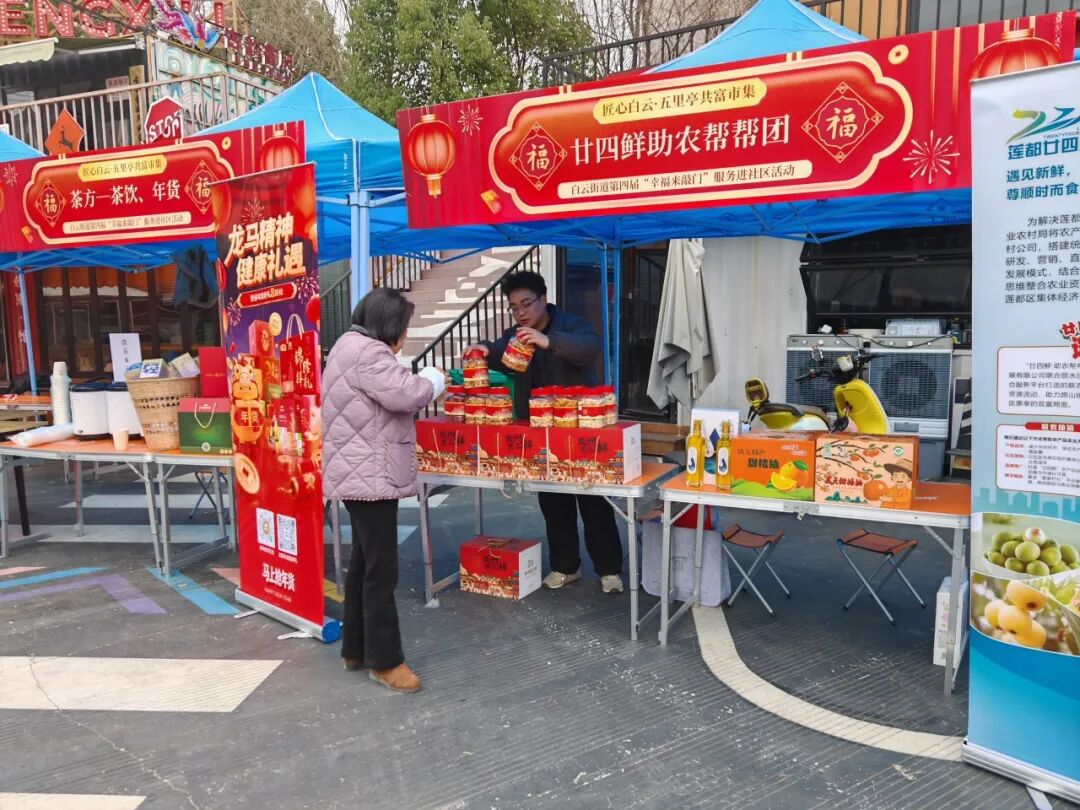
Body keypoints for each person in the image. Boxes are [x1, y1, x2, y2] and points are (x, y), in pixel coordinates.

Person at [465, 271, 625, 594]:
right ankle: (566, 566)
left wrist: (549, 342)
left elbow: (590, 347)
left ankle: (609, 570)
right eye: (514, 307)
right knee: (553, 502)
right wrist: (483, 349)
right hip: (541, 433)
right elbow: (500, 354)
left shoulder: (572, 325)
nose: (521, 312)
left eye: (527, 304)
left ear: (544, 299)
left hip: (580, 430)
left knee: (594, 502)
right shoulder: (515, 336)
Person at [323, 287, 446, 693]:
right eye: (404, 328)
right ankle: (386, 662)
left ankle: (356, 649)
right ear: (390, 325)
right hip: (370, 475)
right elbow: (407, 394)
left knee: (364, 564)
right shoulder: (370, 353)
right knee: (381, 570)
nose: (405, 337)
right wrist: (433, 379)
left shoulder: (345, 347)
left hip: (357, 473)